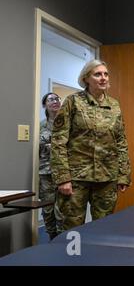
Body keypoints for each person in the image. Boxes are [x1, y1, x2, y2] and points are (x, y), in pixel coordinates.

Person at [51, 59, 131, 233]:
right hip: (76, 178)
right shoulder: (73, 102)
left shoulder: (114, 105)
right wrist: (62, 177)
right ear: (86, 78)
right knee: (71, 229)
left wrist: (124, 174)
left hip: (107, 178)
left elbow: (121, 141)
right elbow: (58, 139)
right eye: (97, 74)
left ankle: (100, 259)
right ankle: (71, 259)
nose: (103, 78)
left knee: (104, 228)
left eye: (105, 74)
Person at [39, 92, 62, 240]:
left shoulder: (67, 123)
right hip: (46, 173)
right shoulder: (40, 125)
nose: (55, 101)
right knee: (48, 209)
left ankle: (62, 239)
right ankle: (52, 238)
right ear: (44, 105)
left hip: (64, 173)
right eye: (51, 99)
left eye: (57, 99)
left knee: (63, 210)